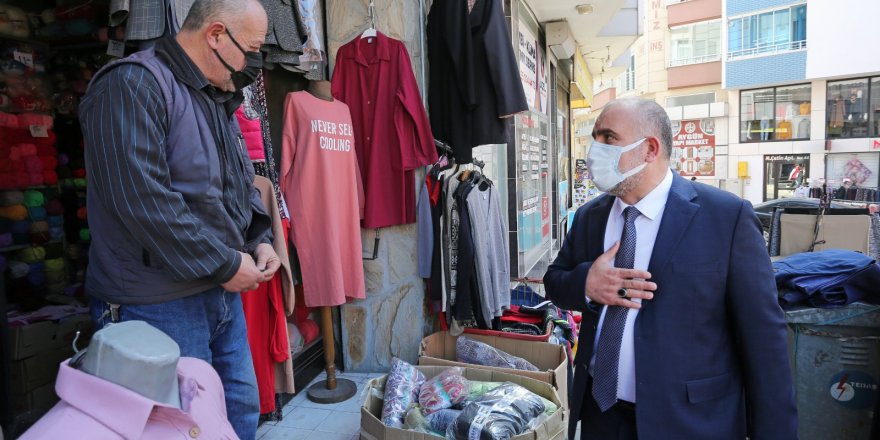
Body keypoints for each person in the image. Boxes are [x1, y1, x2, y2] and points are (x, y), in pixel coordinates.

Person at [78, 1, 278, 438]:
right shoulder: (131, 86)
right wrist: (224, 264)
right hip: (154, 303)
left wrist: (258, 238)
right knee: (180, 428)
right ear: (216, 34)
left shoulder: (212, 93)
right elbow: (142, 200)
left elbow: (235, 181)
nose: (255, 65)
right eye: (253, 49)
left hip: (216, 293)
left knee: (238, 409)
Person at [544, 98, 797, 439]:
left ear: (649, 149)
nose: (593, 151)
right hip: (601, 415)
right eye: (594, 138)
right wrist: (587, 283)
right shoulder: (591, 216)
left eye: (607, 138)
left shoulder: (725, 217)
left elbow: (764, 339)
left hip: (690, 422)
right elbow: (555, 282)